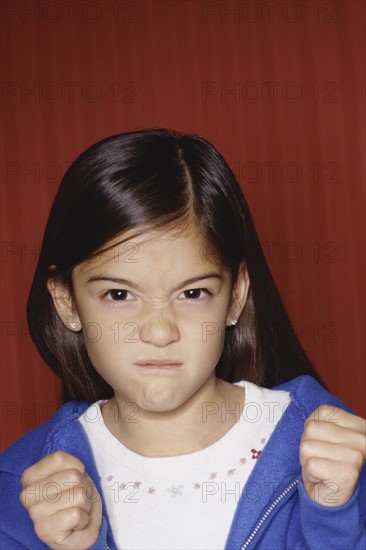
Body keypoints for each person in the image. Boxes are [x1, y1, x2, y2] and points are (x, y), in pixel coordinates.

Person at [1, 128, 365, 550]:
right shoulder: (23, 485)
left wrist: (333, 518)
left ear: (236, 296)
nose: (159, 332)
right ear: (67, 303)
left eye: (192, 294)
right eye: (119, 295)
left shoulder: (330, 449)